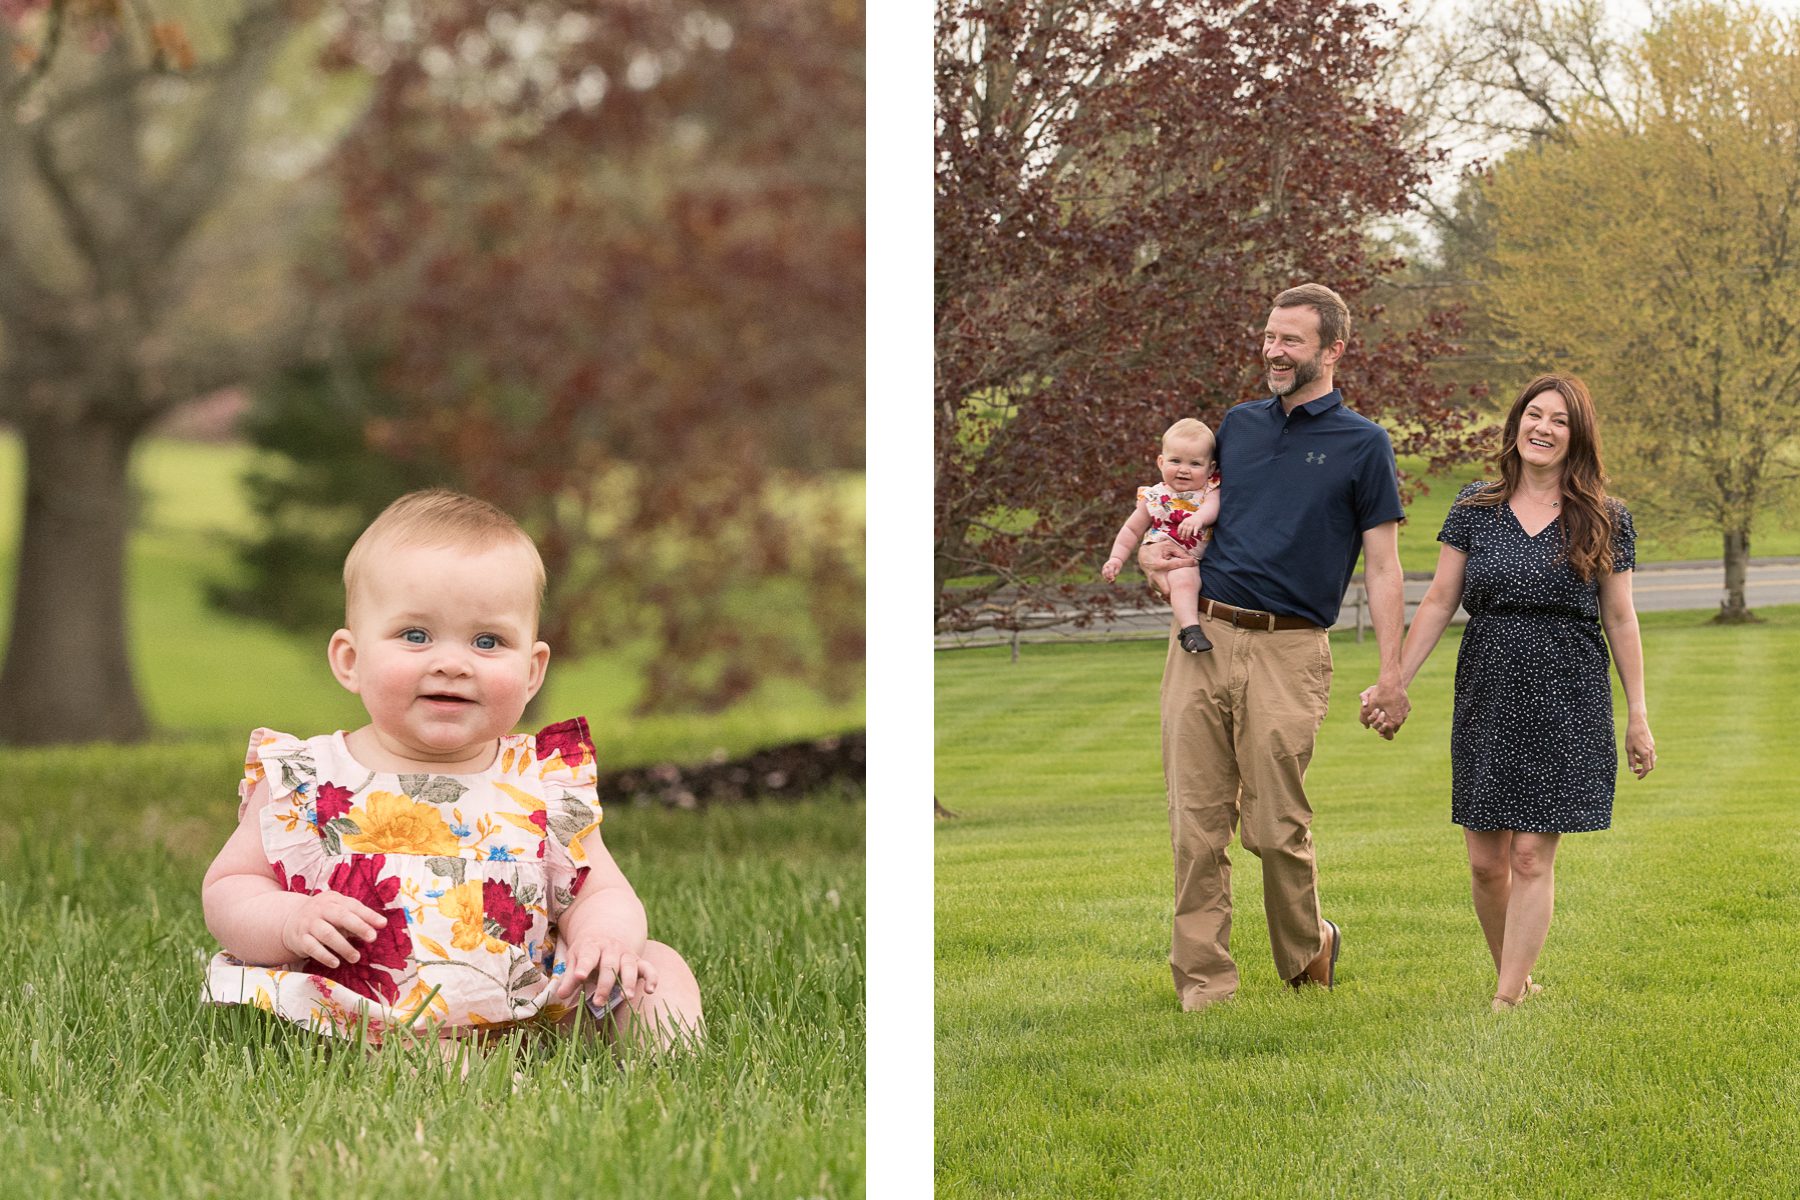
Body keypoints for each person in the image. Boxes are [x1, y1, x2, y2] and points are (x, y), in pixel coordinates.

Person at [201, 489, 703, 1049]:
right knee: (373, 1043)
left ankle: (669, 1064)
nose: (451, 663)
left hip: (530, 1007)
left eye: (488, 641)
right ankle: (441, 1071)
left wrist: (604, 939)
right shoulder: (307, 778)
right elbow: (231, 887)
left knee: (654, 966)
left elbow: (598, 893)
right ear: (350, 659)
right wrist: (289, 920)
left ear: (532, 671)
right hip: (358, 1015)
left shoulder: (541, 784)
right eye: (415, 636)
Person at [1140, 282, 1409, 1011]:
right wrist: (1151, 557)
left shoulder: (1364, 445)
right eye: (1268, 336)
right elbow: (1186, 510)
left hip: (1291, 649)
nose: (1274, 351)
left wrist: (1392, 675)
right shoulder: (1238, 426)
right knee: (1196, 826)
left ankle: (1307, 949)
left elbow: (1384, 567)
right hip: (1204, 638)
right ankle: (1206, 985)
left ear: (1332, 350)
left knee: (1272, 829)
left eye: (1290, 340)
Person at [1361, 374, 1655, 1012]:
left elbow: (1622, 617)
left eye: (1559, 421)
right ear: (1516, 423)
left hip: (1568, 689)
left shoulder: (1605, 516)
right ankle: (1516, 977)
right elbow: (1440, 600)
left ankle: (1504, 1002)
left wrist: (1638, 715)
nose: (1542, 428)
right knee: (1487, 863)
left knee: (1529, 854)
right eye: (1534, 415)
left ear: (1577, 438)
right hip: (1489, 686)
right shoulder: (1475, 505)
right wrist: (1394, 684)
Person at [1102, 418, 1221, 653]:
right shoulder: (1155, 497)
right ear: (1161, 461)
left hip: (1201, 559)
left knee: (1187, 583)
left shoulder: (1209, 491)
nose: (1184, 469)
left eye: (1195, 463)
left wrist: (1198, 518)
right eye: (1175, 461)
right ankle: (1190, 630)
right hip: (1171, 557)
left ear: (1211, 468)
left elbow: (1212, 509)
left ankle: (1190, 626)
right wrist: (1116, 559)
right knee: (1183, 580)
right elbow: (1131, 529)